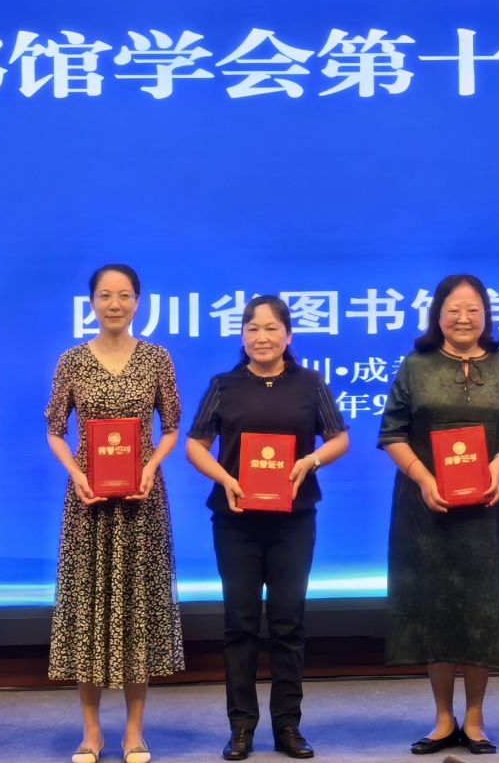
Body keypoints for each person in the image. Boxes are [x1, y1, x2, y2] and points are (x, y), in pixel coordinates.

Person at [184, 296, 350, 762]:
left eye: (272, 328)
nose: (262, 337)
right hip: (235, 520)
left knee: (287, 622)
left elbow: (339, 438)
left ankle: (287, 726)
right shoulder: (224, 385)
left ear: (288, 335)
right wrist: (225, 478)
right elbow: (196, 445)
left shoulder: (310, 383)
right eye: (253, 329)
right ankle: (241, 727)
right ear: (242, 336)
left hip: (293, 521)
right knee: (239, 624)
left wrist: (310, 461)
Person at [379, 274, 499, 756]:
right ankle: (444, 718)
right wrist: (424, 479)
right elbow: (392, 432)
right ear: (438, 316)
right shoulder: (415, 365)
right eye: (453, 310)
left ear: (486, 315)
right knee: (437, 611)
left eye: (473, 310)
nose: (463, 318)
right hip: (427, 511)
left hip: (487, 510)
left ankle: (476, 718)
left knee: (482, 610)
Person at [45, 263, 184, 763]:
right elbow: (54, 429)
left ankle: (133, 731)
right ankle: (90, 732)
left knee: (136, 613)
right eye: (105, 295)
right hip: (89, 502)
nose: (115, 304)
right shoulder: (71, 360)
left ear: (137, 302)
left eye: (124, 295)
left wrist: (151, 464)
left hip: (142, 501)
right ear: (92, 303)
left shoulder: (157, 358)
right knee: (88, 611)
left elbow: (171, 426)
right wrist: (75, 472)